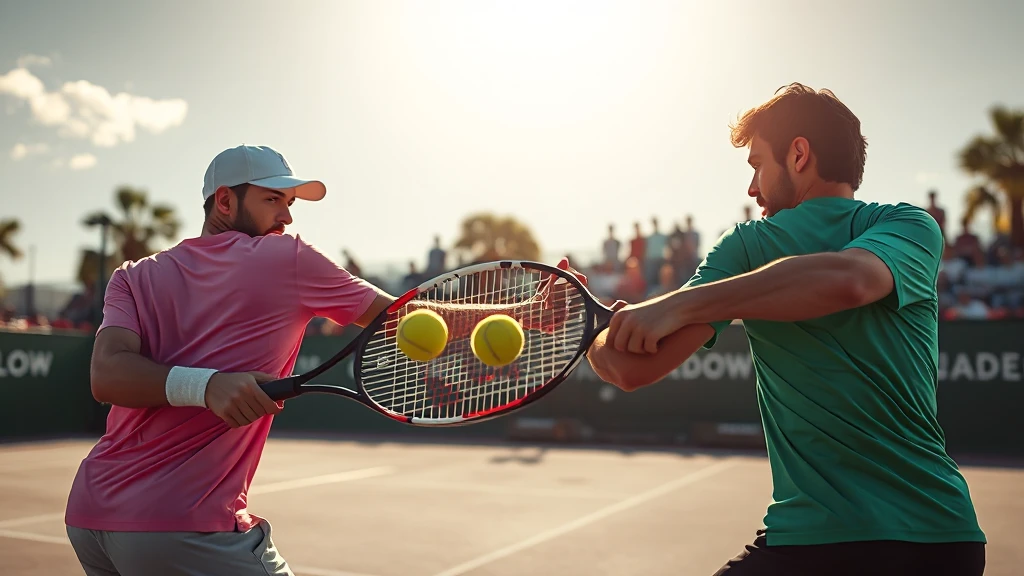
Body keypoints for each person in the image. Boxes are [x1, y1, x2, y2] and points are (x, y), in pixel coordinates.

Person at [63, 144, 577, 576]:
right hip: (182, 527)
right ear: (224, 200)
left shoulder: (132, 275)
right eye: (272, 200)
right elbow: (404, 317)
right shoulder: (285, 258)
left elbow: (110, 373)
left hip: (90, 519)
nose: (286, 216)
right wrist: (528, 314)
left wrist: (203, 384)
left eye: (289, 203)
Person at [586, 83, 986, 575]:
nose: (751, 188)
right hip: (935, 543)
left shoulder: (894, 226)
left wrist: (679, 305)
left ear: (798, 154)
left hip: (854, 543)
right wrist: (588, 327)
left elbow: (852, 280)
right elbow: (631, 369)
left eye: (756, 165)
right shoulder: (910, 228)